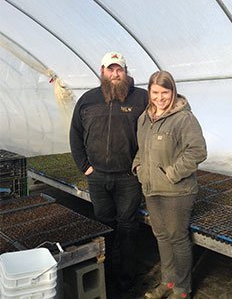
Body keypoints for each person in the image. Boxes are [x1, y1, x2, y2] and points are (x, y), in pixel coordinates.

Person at [69, 51, 148, 292]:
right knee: (104, 226)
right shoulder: (88, 99)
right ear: (102, 71)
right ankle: (106, 275)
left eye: (119, 69)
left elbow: (154, 132)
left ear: (125, 72)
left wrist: (140, 166)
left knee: (128, 228)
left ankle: (126, 279)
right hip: (98, 177)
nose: (115, 73)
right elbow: (75, 134)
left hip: (128, 178)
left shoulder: (141, 98)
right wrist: (86, 166)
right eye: (110, 69)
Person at [132, 71, 207, 299]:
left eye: (165, 92)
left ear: (173, 91)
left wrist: (173, 173)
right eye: (155, 92)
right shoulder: (144, 118)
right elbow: (142, 148)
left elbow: (197, 151)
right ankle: (168, 282)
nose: (160, 98)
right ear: (149, 92)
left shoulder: (184, 118)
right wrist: (138, 167)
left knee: (177, 237)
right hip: (152, 188)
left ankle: (183, 289)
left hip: (177, 191)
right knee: (161, 235)